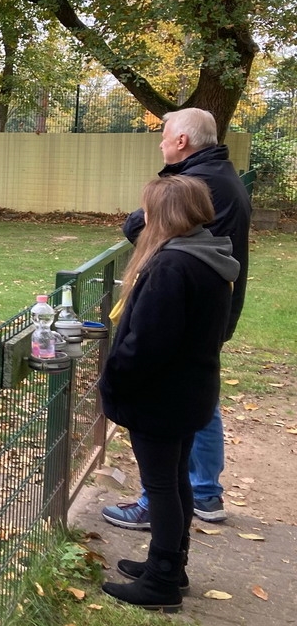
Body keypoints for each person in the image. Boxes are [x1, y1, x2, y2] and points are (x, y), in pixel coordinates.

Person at [102, 108, 251, 531]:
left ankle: (168, 501)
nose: (161, 142)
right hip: (209, 306)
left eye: (165, 135)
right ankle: (202, 492)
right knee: (197, 398)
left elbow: (142, 226)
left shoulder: (199, 183)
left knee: (178, 403)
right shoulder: (218, 175)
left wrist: (114, 381)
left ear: (182, 141)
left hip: (192, 309)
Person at [99, 175, 239, 611]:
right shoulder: (208, 256)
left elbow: (147, 343)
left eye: (149, 209)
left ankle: (161, 581)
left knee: (161, 484)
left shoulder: (172, 267)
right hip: (190, 390)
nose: (143, 216)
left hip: (161, 397)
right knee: (175, 479)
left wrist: (113, 380)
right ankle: (171, 566)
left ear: (165, 213)